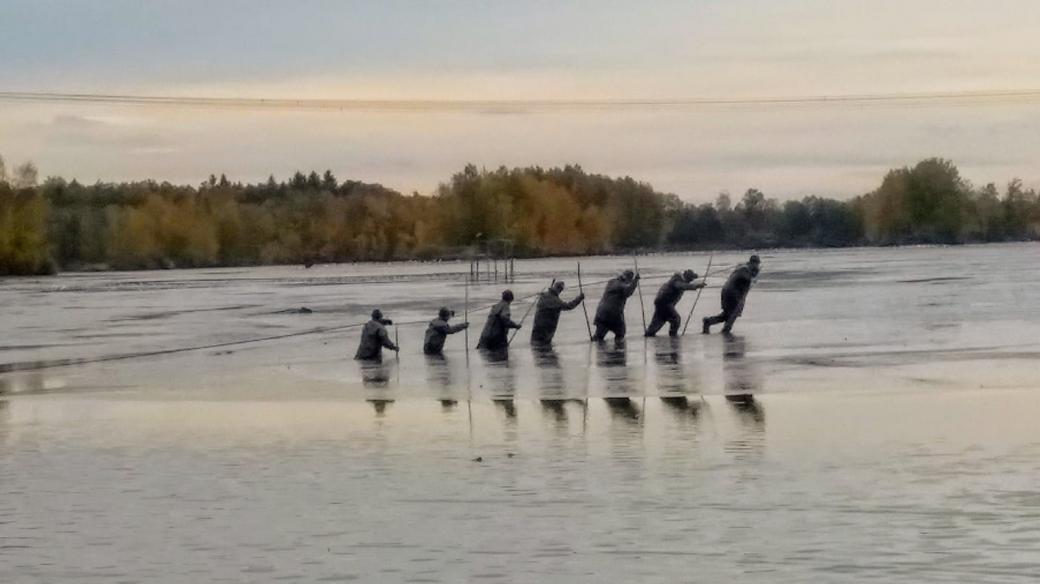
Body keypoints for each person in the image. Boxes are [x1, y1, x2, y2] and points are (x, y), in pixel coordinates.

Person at [703, 255, 761, 334]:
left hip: (728, 291)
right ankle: (726, 330)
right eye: (756, 264)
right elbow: (745, 278)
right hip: (732, 293)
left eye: (757, 264)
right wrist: (754, 274)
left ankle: (709, 321)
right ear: (751, 263)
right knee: (734, 313)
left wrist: (753, 274)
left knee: (727, 314)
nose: (757, 266)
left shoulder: (743, 268)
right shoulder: (745, 270)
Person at [645, 269, 705, 337]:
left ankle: (649, 336)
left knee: (656, 324)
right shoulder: (677, 280)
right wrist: (695, 286)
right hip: (665, 303)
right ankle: (673, 337)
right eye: (691, 279)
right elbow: (681, 286)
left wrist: (696, 282)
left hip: (661, 303)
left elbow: (684, 284)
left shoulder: (679, 280)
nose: (691, 281)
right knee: (676, 319)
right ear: (687, 277)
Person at [530, 280, 585, 345]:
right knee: (544, 348)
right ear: (559, 290)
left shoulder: (543, 296)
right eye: (561, 290)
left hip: (537, 328)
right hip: (546, 331)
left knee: (537, 348)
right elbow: (569, 306)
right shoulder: (556, 301)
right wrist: (579, 298)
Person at [593, 269, 640, 341]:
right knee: (620, 333)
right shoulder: (621, 286)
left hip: (601, 312)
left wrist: (633, 282)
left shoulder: (611, 282)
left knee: (599, 336)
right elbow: (628, 292)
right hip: (613, 314)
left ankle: (600, 350)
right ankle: (618, 350)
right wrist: (635, 281)